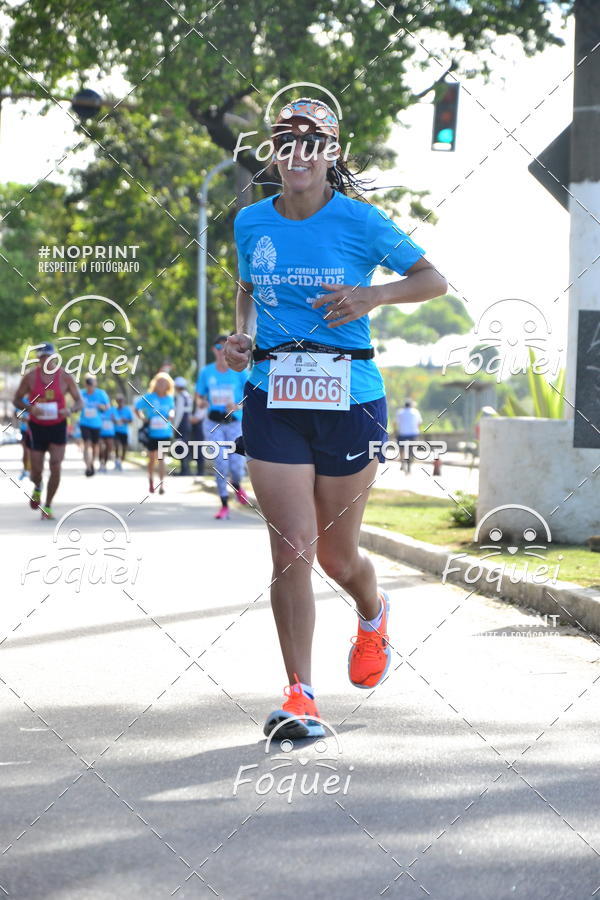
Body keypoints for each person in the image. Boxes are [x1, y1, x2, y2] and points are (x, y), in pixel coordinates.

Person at [227, 97, 447, 739]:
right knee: (292, 549)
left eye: (311, 141)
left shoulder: (361, 221)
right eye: (284, 141)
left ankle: (373, 614)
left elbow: (432, 280)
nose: (296, 152)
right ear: (274, 154)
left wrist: (372, 295)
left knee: (336, 558)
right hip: (272, 395)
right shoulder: (250, 223)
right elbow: (247, 289)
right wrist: (241, 337)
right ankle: (300, 696)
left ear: (330, 154)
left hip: (350, 398)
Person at [13, 342, 82, 519]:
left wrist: (70, 410)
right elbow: (17, 400)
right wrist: (30, 408)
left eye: (48, 356)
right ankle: (37, 486)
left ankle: (48, 505)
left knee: (56, 465)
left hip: (58, 425)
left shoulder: (65, 377)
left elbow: (79, 402)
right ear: (38, 358)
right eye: (42, 356)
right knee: (35, 470)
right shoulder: (30, 377)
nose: (45, 360)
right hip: (37, 426)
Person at [196, 335, 250, 519]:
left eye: (224, 347)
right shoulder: (206, 372)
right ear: (214, 350)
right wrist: (201, 402)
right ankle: (224, 504)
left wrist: (237, 405)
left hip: (234, 422)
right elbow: (199, 395)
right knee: (220, 461)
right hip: (213, 423)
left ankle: (237, 485)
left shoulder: (240, 372)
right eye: (218, 347)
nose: (221, 351)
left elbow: (251, 396)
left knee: (236, 465)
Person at [134, 372, 175, 495]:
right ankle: (151, 481)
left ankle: (162, 484)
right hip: (151, 434)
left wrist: (171, 414)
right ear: (155, 384)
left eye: (164, 382)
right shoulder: (149, 397)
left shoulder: (169, 398)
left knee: (162, 458)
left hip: (164, 433)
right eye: (159, 382)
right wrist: (143, 418)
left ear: (168, 385)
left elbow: (172, 409)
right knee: (152, 459)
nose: (161, 384)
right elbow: (136, 409)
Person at [79, 375, 110, 476]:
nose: (90, 387)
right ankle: (88, 467)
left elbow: (107, 407)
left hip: (96, 424)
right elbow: (76, 404)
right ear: (85, 384)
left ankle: (92, 463)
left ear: (95, 384)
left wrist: (101, 406)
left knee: (95, 445)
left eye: (92, 385)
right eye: (88, 385)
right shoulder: (81, 393)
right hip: (84, 423)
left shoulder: (101, 394)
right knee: (86, 444)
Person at [395, 399, 423, 474]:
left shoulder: (400, 412)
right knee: (412, 449)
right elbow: (419, 423)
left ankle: (402, 462)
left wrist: (396, 431)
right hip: (413, 434)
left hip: (402, 434)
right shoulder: (416, 411)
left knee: (401, 449)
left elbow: (396, 423)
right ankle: (411, 461)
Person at [173, 376, 193, 476]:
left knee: (181, 447)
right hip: (187, 424)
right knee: (184, 446)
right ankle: (185, 469)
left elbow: (179, 413)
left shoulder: (180, 397)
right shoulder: (187, 395)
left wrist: (175, 427)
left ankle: (184, 470)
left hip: (182, 424)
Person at [13, 394, 31, 480]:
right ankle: (25, 469)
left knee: (34, 451)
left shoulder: (38, 398)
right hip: (24, 430)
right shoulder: (22, 400)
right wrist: (22, 419)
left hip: (35, 430)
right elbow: (16, 414)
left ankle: (33, 469)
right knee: (25, 450)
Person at [113, 395, 133, 470]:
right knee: (117, 446)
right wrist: (113, 420)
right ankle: (117, 460)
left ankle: (121, 462)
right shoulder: (114, 410)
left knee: (124, 448)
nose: (120, 402)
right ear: (116, 402)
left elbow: (131, 420)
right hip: (116, 431)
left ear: (123, 401)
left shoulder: (127, 410)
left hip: (124, 432)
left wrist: (125, 420)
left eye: (121, 400)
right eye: (118, 400)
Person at [99, 403, 117, 472]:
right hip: (100, 434)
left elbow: (117, 420)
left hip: (110, 433)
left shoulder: (112, 410)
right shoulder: (99, 410)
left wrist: (114, 418)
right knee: (101, 448)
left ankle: (105, 464)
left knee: (108, 449)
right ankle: (101, 463)